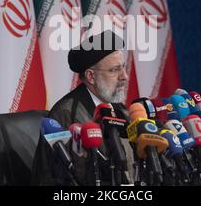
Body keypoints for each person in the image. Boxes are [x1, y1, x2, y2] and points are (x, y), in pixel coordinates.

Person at [30, 30, 135, 185]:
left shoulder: (120, 110)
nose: (124, 76)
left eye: (123, 67)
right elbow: (52, 179)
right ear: (91, 76)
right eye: (115, 70)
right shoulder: (65, 114)